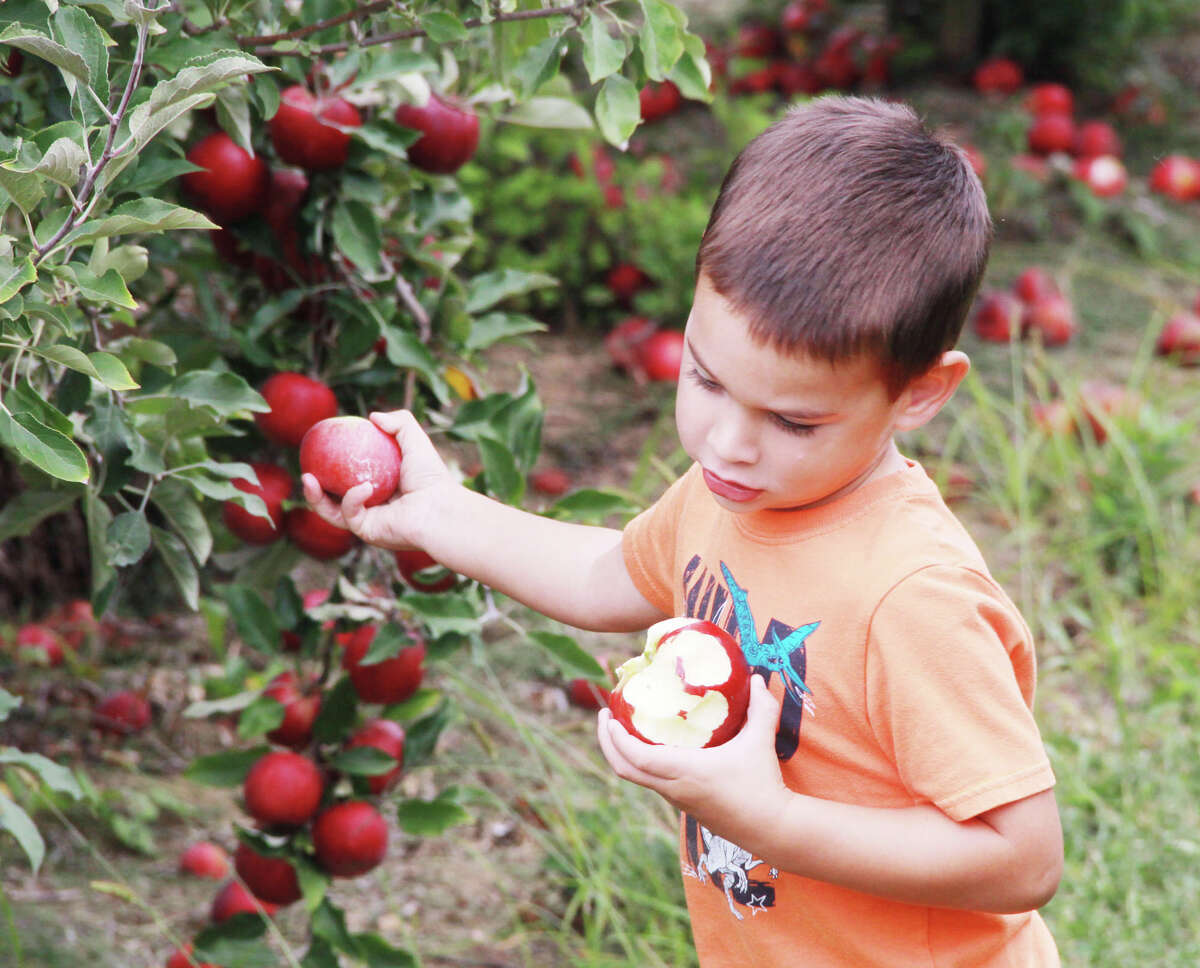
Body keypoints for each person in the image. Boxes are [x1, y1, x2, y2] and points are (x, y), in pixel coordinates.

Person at [303, 95, 1063, 967]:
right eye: (704, 378)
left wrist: (773, 821)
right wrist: (439, 514)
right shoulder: (733, 493)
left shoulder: (910, 595)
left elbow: (1023, 855)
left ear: (921, 392)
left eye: (794, 422)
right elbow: (603, 575)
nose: (725, 442)